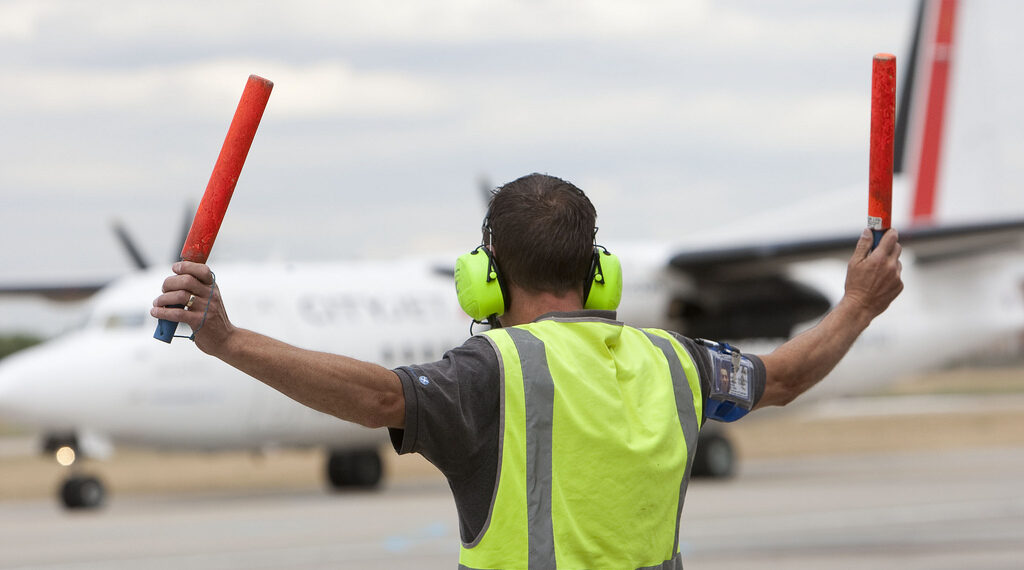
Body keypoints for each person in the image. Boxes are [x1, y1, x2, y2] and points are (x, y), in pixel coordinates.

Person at [152, 173, 903, 569]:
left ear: (485, 278)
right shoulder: (679, 361)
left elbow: (381, 394)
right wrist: (858, 305)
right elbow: (789, 375)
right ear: (598, 273)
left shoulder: (491, 371)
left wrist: (227, 339)